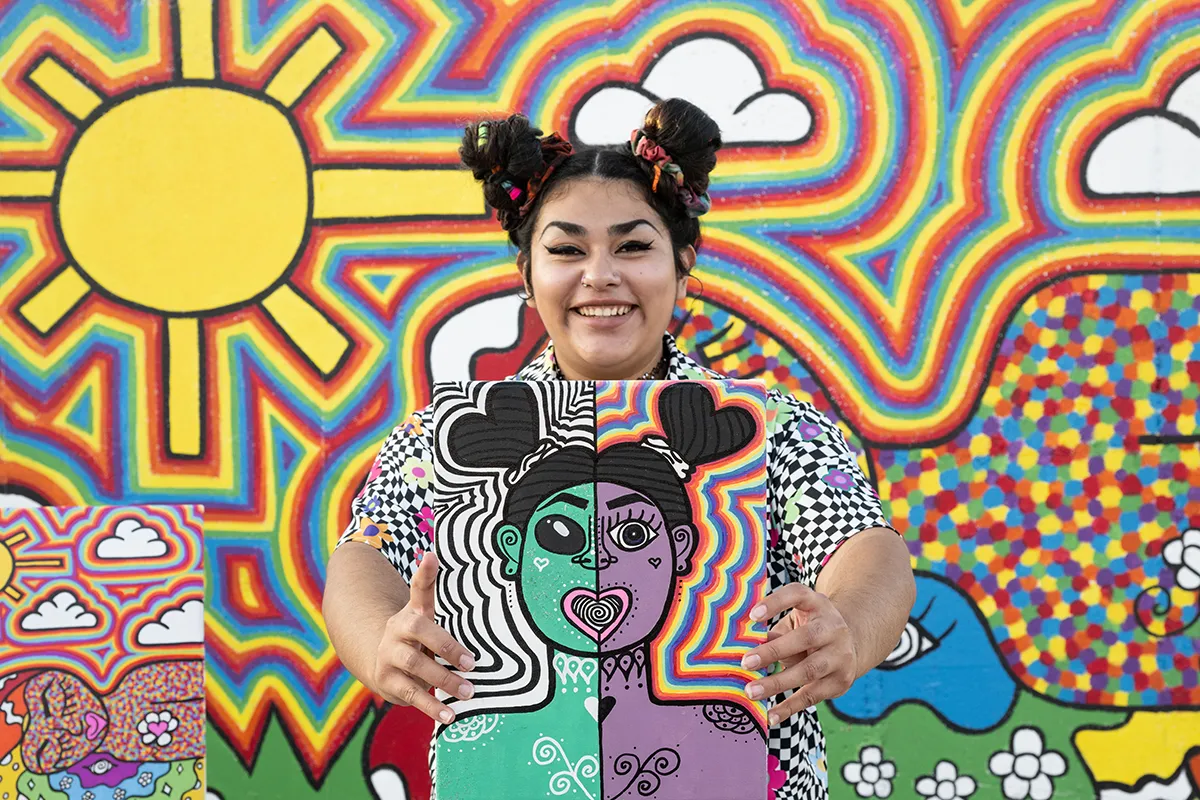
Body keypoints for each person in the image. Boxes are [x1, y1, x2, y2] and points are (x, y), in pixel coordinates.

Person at [323, 98, 915, 799]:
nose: (600, 275)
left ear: (683, 265)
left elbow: (867, 549)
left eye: (633, 246)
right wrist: (382, 640)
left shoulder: (773, 427)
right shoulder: (442, 439)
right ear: (525, 276)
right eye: (567, 249)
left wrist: (846, 621)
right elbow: (363, 557)